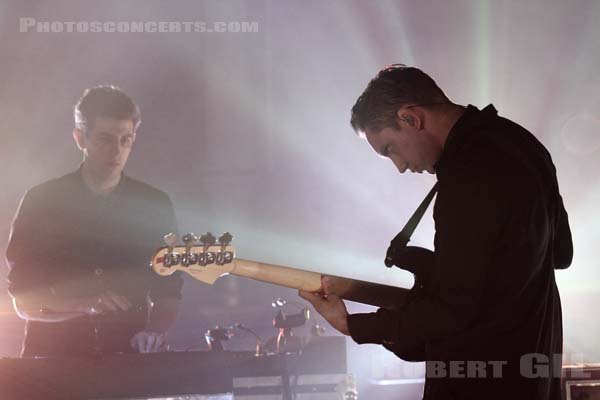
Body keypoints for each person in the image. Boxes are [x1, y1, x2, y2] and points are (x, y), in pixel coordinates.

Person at [300, 65, 573, 399]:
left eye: (390, 149)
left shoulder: (465, 177)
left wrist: (352, 325)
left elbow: (451, 309)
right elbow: (559, 254)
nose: (399, 166)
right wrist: (439, 268)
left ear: (411, 118)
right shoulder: (525, 144)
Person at [6, 85, 183, 357]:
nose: (117, 151)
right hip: (51, 368)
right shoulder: (41, 201)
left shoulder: (156, 206)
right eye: (105, 139)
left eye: (126, 139)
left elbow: (169, 292)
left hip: (127, 362)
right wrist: (83, 304)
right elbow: (23, 301)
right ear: (80, 138)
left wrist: (155, 331)